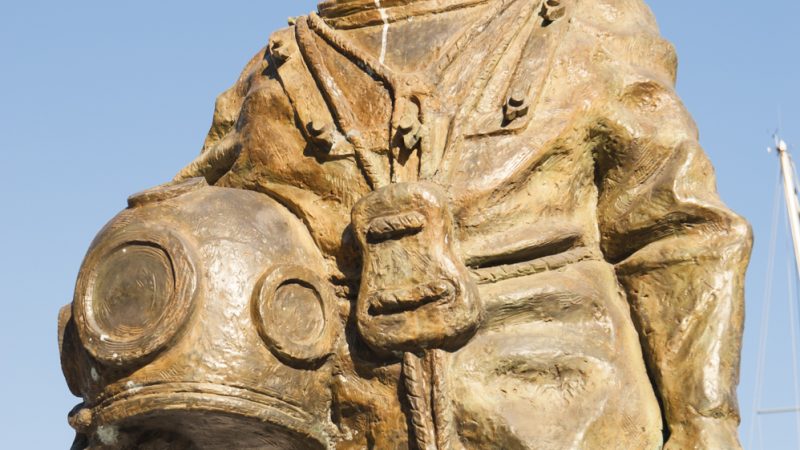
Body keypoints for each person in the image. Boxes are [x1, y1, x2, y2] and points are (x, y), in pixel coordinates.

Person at [175, 0, 752, 448]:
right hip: (352, 420)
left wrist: (704, 422)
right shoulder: (275, 74)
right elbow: (197, 249)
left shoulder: (579, 28)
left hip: (568, 414)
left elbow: (680, 232)